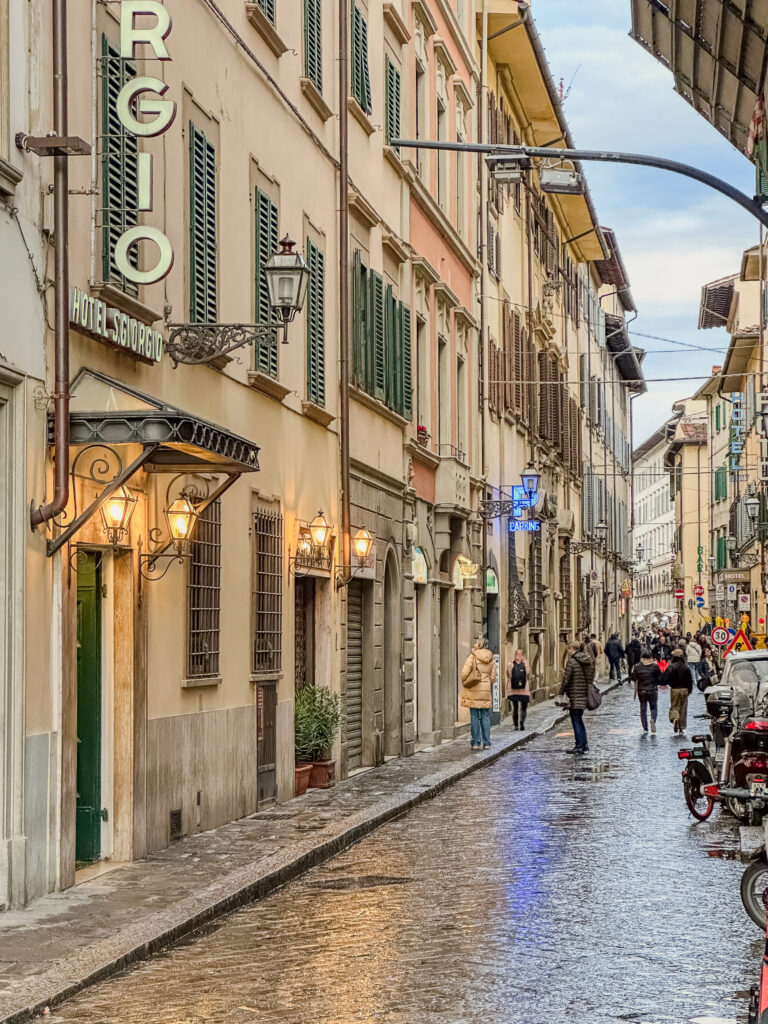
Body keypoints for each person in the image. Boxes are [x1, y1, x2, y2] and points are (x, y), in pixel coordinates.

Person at [460, 638, 497, 750]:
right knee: (485, 716)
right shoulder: (491, 658)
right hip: (485, 692)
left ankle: (476, 742)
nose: (474, 644)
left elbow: (464, 673)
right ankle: (487, 743)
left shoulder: (473, 656)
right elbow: (493, 678)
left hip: (473, 691)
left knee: (475, 716)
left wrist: (469, 680)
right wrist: (485, 682)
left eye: (476, 643)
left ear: (479, 645)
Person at [560, 641, 595, 755]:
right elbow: (590, 677)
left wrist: (561, 692)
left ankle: (579, 745)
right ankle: (584, 744)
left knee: (576, 721)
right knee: (579, 720)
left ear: (572, 649)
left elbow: (566, 678)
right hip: (583, 694)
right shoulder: (586, 660)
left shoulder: (572, 661)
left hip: (575, 695)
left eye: (568, 649)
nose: (567, 651)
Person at [662, 648, 693, 735]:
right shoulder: (686, 667)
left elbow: (665, 678)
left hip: (675, 689)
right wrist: (689, 690)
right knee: (683, 708)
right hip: (685, 689)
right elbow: (690, 680)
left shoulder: (671, 667)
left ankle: (675, 719)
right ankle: (682, 728)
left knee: (675, 706)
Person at [631, 648, 662, 734]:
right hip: (653, 689)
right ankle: (653, 719)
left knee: (643, 709)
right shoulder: (655, 666)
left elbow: (633, 678)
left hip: (641, 690)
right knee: (654, 707)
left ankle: (645, 728)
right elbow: (659, 678)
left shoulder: (637, 666)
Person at [505, 649, 531, 730]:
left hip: (513, 689)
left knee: (515, 708)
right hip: (524, 690)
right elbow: (528, 673)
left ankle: (516, 725)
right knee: (523, 707)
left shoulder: (511, 663)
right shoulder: (525, 663)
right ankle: (522, 722)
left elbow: (508, 674)